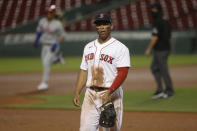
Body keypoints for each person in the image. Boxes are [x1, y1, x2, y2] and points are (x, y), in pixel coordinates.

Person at [73, 13, 130, 131]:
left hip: (111, 94)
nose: (102, 27)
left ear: (111, 26)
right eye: (99, 24)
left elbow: (123, 73)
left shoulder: (120, 48)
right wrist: (77, 92)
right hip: (90, 94)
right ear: (96, 27)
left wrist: (109, 92)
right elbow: (84, 70)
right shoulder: (88, 47)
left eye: (105, 24)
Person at [144, 3, 174, 99]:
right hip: (165, 48)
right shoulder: (165, 21)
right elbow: (169, 34)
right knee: (154, 68)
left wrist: (148, 49)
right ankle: (160, 90)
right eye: (152, 9)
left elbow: (155, 38)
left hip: (161, 50)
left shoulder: (157, 22)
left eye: (154, 9)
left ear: (158, 10)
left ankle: (169, 91)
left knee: (163, 70)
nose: (152, 11)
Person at [33, 5, 66, 90]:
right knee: (45, 62)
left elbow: (62, 36)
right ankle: (57, 59)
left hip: (53, 46)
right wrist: (36, 40)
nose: (49, 14)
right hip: (44, 45)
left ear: (54, 14)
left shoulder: (58, 24)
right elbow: (39, 31)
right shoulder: (42, 21)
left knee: (46, 63)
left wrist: (56, 43)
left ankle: (44, 83)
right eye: (48, 12)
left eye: (51, 13)